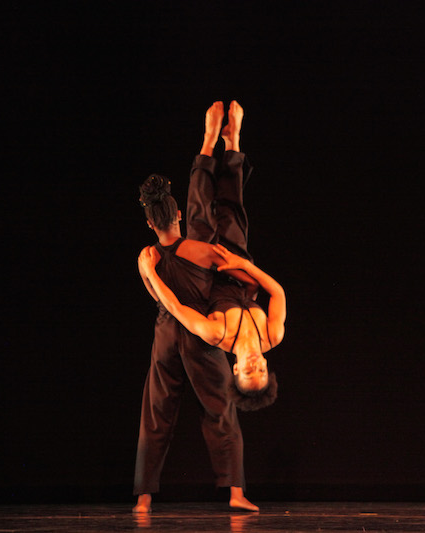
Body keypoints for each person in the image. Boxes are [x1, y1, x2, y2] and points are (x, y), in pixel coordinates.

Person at [132, 102, 259, 513]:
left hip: (168, 331)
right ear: (176, 215)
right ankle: (235, 493)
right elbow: (235, 264)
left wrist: (155, 277)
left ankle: (144, 499)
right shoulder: (201, 250)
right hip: (202, 331)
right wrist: (247, 283)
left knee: (156, 411)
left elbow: (157, 297)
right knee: (221, 409)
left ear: (150, 223)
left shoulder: (147, 256)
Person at [138, 101, 286, 411]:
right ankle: (232, 141)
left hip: (205, 266)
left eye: (248, 372)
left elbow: (176, 308)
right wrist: (243, 264)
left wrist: (150, 273)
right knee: (233, 207)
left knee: (199, 208)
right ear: (266, 367)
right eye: (261, 371)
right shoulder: (272, 335)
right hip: (237, 264)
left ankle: (208, 141)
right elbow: (277, 292)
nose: (255, 365)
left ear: (236, 369)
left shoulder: (217, 334)